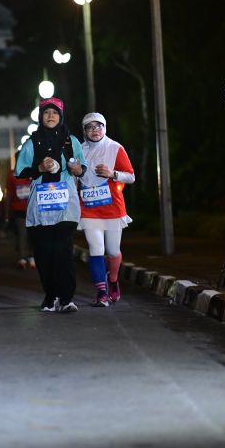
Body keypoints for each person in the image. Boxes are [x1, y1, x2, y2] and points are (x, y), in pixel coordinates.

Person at [15, 97, 86, 313]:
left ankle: (66, 298)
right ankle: (50, 296)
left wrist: (76, 169)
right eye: (46, 112)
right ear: (41, 116)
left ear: (61, 116)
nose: (51, 116)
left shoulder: (71, 141)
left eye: (55, 112)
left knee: (63, 251)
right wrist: (40, 167)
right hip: (40, 209)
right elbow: (20, 171)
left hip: (66, 207)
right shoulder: (32, 142)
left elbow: (81, 168)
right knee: (44, 254)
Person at [78, 112, 135, 307]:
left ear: (105, 128)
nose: (95, 130)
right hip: (89, 208)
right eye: (90, 127)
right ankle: (101, 293)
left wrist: (113, 174)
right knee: (96, 249)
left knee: (112, 250)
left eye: (99, 126)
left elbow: (131, 176)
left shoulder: (115, 148)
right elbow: (73, 176)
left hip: (112, 208)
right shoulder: (79, 150)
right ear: (84, 131)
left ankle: (112, 280)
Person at [4, 153, 35, 270]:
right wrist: (6, 213)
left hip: (33, 210)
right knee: (22, 234)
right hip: (18, 210)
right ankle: (22, 258)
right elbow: (9, 194)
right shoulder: (12, 174)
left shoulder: (33, 172)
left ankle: (31, 257)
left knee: (32, 234)